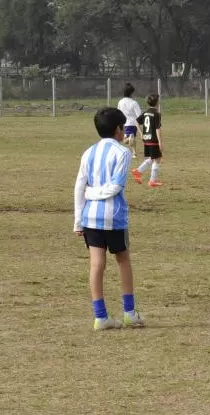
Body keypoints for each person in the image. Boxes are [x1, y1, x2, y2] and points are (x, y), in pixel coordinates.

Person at [73, 107, 145, 331]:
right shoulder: (122, 152)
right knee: (123, 260)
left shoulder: (88, 152)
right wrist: (93, 194)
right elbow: (115, 186)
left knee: (96, 265)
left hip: (90, 217)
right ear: (118, 129)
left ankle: (100, 316)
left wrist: (78, 218)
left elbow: (79, 186)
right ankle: (130, 313)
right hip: (113, 217)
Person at [133, 94, 163, 187]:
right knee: (157, 159)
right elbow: (157, 129)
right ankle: (152, 181)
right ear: (157, 102)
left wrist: (141, 133)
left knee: (152, 158)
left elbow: (136, 121)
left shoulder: (145, 113)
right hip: (153, 140)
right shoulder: (157, 114)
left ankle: (138, 171)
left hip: (146, 139)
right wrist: (160, 143)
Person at [117, 83, 143, 158]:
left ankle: (133, 150)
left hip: (124, 124)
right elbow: (139, 115)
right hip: (133, 124)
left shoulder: (120, 102)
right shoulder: (134, 103)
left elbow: (118, 112)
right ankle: (134, 153)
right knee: (132, 138)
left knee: (125, 140)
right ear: (131, 93)